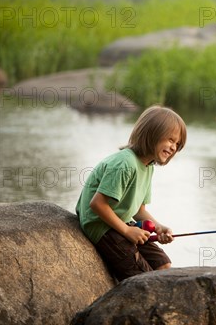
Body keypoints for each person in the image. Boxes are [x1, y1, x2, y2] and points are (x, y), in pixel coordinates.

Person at [76, 105, 187, 281]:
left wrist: (159, 227)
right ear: (152, 134)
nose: (174, 147)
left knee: (163, 265)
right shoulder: (125, 164)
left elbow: (139, 210)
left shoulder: (148, 166)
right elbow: (97, 204)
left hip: (122, 221)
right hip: (101, 225)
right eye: (170, 140)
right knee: (145, 278)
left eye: (177, 144)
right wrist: (127, 231)